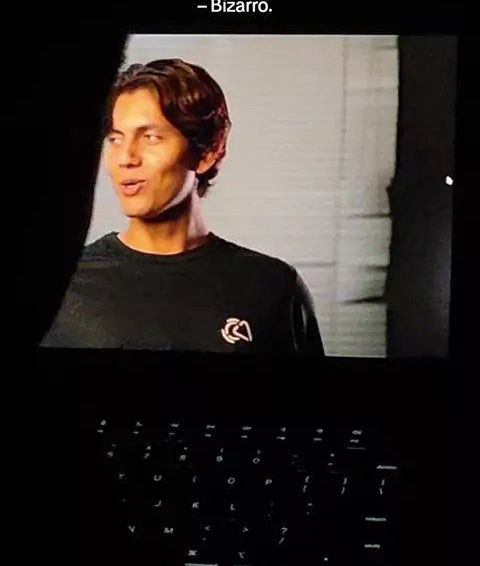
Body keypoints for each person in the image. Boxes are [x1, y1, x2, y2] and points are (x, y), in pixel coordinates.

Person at [41, 57, 325, 354]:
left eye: (150, 137)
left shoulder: (272, 288)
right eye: (115, 139)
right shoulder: (64, 287)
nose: (126, 158)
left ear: (208, 153)